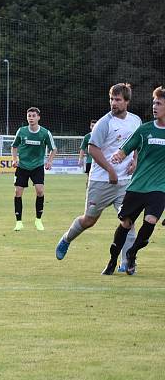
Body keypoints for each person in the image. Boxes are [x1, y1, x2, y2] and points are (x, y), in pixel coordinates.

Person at [56, 85, 140, 266]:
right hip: (101, 181)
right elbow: (92, 149)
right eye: (111, 99)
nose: (113, 103)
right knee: (89, 220)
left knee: (128, 220)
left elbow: (137, 144)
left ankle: (127, 262)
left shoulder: (136, 121)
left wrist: (135, 160)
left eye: (118, 100)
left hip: (125, 182)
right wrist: (110, 170)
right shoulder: (104, 123)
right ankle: (66, 239)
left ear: (126, 101)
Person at [100, 86, 165, 276]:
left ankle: (132, 253)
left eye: (159, 103)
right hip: (137, 186)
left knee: (151, 220)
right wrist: (118, 156)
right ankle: (113, 260)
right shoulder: (144, 130)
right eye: (154, 102)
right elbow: (126, 148)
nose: (154, 106)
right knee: (126, 224)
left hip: (159, 188)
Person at [11, 107, 57, 231]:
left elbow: (54, 149)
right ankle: (19, 222)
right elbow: (14, 146)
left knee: (40, 191)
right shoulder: (21, 131)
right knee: (18, 192)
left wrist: (49, 161)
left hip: (37, 166)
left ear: (38, 117)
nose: (31, 118)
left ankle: (38, 220)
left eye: (33, 116)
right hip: (22, 166)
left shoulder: (45, 133)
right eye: (29, 116)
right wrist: (14, 159)